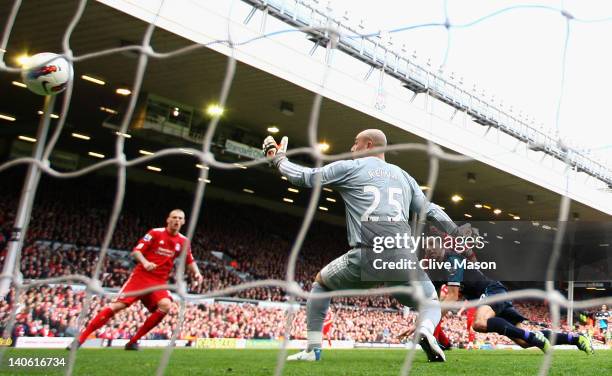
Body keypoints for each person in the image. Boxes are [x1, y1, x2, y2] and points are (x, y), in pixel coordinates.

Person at [263, 129, 462, 362]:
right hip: (403, 254)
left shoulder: (350, 168)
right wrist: (456, 233)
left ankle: (312, 350)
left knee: (321, 285)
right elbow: (430, 210)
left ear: (368, 145)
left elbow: (304, 177)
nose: (352, 148)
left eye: (355, 143)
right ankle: (426, 329)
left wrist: (278, 159)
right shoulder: (405, 177)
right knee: (429, 302)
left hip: (368, 253)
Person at [406, 242, 594, 355]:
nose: (429, 253)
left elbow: (452, 297)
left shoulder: (452, 260)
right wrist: (424, 322)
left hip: (492, 291)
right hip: (493, 295)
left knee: (479, 324)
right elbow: (440, 301)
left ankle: (535, 336)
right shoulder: (441, 272)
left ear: (441, 249)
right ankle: (576, 339)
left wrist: (429, 321)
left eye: (432, 250)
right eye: (427, 252)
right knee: (525, 342)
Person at [70, 209, 202, 350]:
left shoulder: (183, 241)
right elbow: (136, 251)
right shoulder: (155, 233)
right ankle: (80, 339)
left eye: (180, 218)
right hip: (141, 277)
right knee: (117, 306)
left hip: (159, 282)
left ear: (183, 222)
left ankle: (133, 342)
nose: (176, 220)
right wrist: (145, 262)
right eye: (174, 217)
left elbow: (189, 260)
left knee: (166, 305)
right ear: (168, 219)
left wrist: (197, 273)